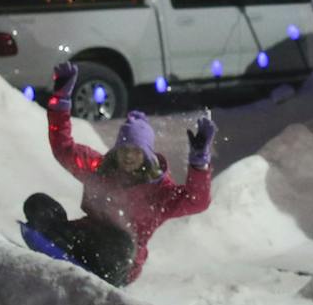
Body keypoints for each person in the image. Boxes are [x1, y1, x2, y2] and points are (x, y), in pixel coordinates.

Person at [23, 61, 215, 286]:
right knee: (38, 204)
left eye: (136, 151)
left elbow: (197, 201)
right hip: (85, 237)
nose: (128, 156)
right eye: (124, 149)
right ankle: (61, 242)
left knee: (120, 246)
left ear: (147, 156)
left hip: (121, 258)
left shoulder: (159, 191)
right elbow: (63, 148)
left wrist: (199, 164)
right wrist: (60, 102)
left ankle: (85, 261)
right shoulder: (100, 169)